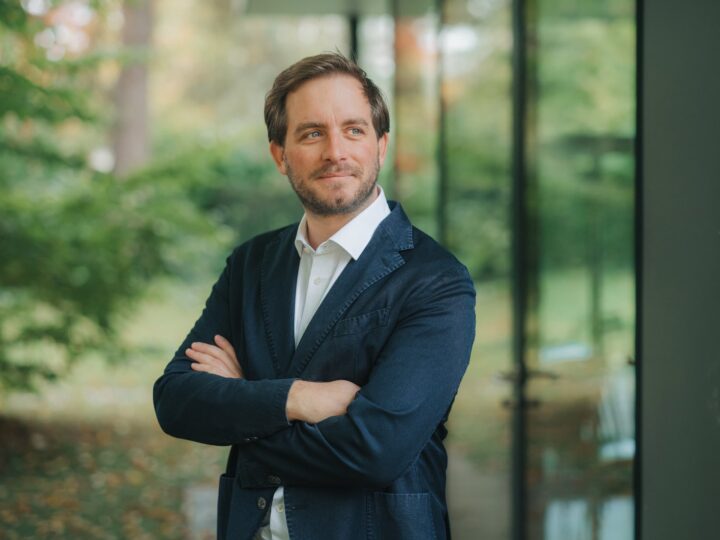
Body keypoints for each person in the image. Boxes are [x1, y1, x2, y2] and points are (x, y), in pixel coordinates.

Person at [153, 52, 476, 540]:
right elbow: (176, 401)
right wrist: (300, 399)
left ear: (381, 145)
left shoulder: (435, 281)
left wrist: (243, 405)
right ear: (279, 154)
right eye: (311, 133)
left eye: (354, 130)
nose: (335, 152)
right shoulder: (251, 264)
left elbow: (376, 451)